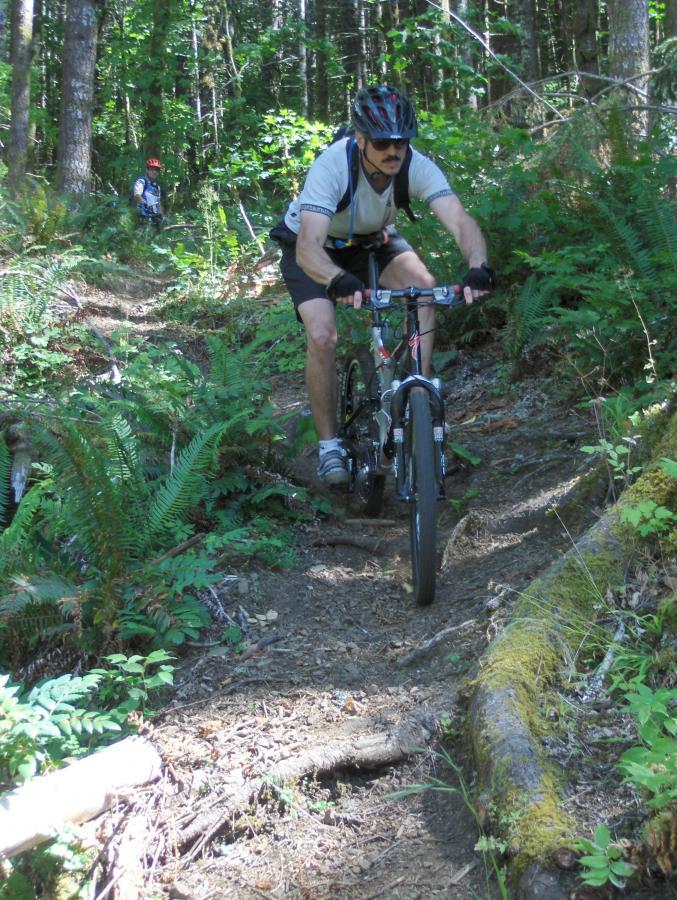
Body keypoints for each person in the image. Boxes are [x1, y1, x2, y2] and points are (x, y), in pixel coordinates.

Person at [272, 85, 494, 486]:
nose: (393, 152)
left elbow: (461, 221)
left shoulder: (415, 166)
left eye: (401, 143)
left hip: (373, 242)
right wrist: (337, 279)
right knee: (322, 335)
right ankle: (329, 449)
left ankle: (418, 398)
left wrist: (479, 266)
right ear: (360, 139)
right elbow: (307, 247)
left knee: (424, 288)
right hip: (315, 250)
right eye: (381, 143)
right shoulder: (332, 166)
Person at [133, 158, 164, 228]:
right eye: (152, 169)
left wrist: (162, 216)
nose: (155, 172)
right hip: (142, 215)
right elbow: (137, 195)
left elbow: (158, 203)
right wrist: (145, 204)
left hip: (154, 217)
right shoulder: (142, 181)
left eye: (157, 170)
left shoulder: (157, 187)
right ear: (147, 170)